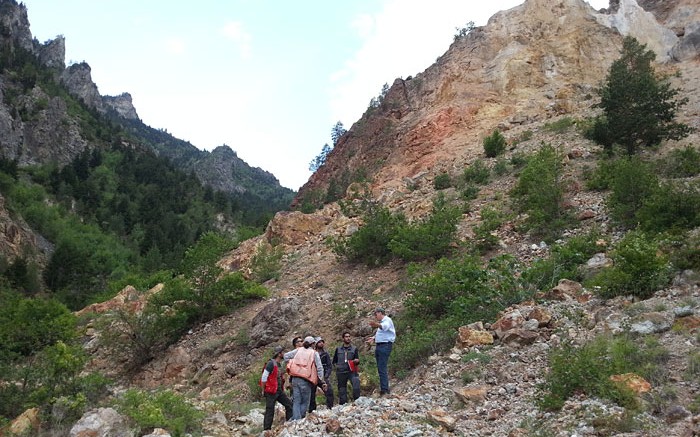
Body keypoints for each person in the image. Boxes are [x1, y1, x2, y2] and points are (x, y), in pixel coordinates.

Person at [284, 336, 326, 420]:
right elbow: (320, 367)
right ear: (313, 344)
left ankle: (295, 419)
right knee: (305, 402)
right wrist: (321, 380)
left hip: (295, 378)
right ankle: (299, 419)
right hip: (306, 379)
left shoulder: (298, 350)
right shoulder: (314, 353)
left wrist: (292, 362)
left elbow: (286, 356)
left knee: (296, 401)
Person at [260, 345, 293, 430]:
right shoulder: (271, 363)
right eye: (282, 352)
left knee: (289, 405)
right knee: (270, 410)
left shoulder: (279, 364)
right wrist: (263, 390)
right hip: (271, 391)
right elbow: (264, 377)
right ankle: (267, 430)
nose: (284, 354)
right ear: (279, 354)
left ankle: (288, 425)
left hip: (278, 390)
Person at [367, 307, 396, 396]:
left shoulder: (387, 320)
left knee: (382, 367)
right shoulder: (383, 322)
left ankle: (385, 389)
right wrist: (373, 338)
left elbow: (385, 327)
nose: (376, 316)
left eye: (376, 314)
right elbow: (383, 333)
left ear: (380, 313)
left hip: (385, 346)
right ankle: (384, 387)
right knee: (380, 367)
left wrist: (376, 324)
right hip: (380, 346)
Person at [332, 331, 360, 404]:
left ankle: (357, 402)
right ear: (343, 338)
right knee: (342, 390)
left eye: (349, 336)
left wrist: (356, 361)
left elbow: (357, 359)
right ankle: (343, 405)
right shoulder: (338, 349)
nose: (348, 338)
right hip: (341, 372)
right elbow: (334, 361)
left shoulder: (354, 349)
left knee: (356, 387)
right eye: (346, 337)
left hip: (352, 371)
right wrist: (337, 368)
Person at [309, 336, 334, 412]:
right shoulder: (312, 354)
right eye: (319, 342)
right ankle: (312, 410)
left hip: (323, 377)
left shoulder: (325, 354)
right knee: (311, 394)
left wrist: (326, 376)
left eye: (322, 342)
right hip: (313, 377)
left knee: (329, 391)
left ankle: (330, 408)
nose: (321, 343)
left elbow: (329, 366)